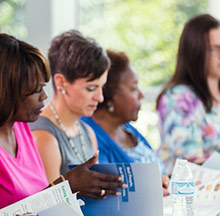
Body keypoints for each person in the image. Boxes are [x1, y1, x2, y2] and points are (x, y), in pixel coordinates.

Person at [0, 33, 125, 209]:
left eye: (43, 87)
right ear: (7, 90)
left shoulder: (21, 129)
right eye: (35, 90)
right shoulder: (40, 134)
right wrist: (65, 186)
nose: (44, 96)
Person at [156, 14, 220, 174]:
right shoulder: (177, 99)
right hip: (186, 193)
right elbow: (195, 167)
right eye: (215, 49)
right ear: (195, 52)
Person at [81, 49, 169, 195]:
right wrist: (150, 190)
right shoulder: (89, 136)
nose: (141, 95)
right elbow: (108, 191)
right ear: (109, 95)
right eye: (133, 88)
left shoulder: (128, 129)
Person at [29, 30, 109, 183]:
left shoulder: (87, 132)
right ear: (61, 82)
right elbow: (50, 204)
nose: (100, 97)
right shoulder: (44, 138)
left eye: (101, 87)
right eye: (91, 88)